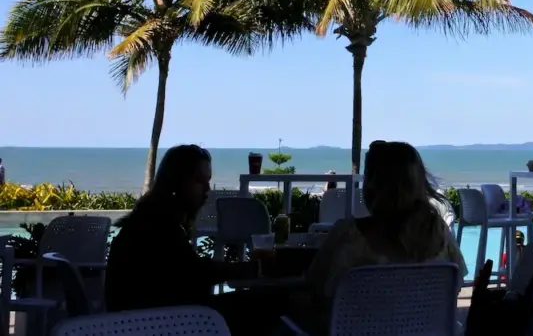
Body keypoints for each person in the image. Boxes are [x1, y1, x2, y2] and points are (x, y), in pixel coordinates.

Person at [105, 145, 282, 335]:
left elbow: (188, 271)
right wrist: (253, 269)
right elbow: (196, 272)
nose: (207, 188)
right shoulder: (157, 225)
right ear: (176, 182)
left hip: (160, 319)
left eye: (207, 181)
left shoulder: (154, 217)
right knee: (272, 304)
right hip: (164, 323)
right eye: (199, 180)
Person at [302, 141, 466, 325]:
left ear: (372, 184)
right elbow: (455, 287)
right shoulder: (440, 235)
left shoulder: (348, 236)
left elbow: (315, 290)